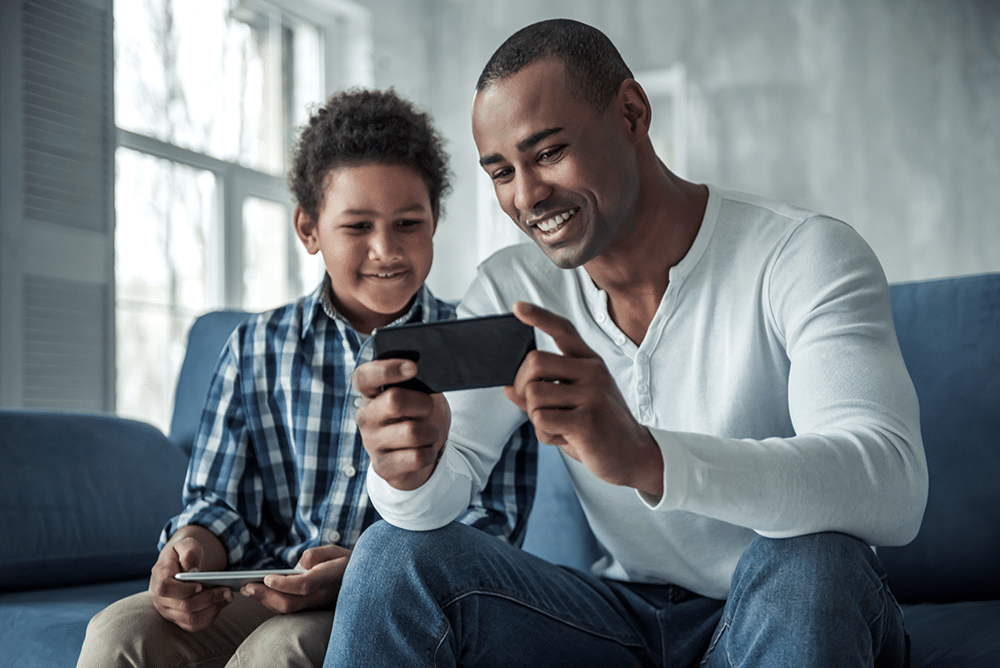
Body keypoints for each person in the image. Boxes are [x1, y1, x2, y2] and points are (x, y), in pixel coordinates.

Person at [324, 18, 928, 668]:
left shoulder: (802, 255)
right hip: (625, 621)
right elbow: (445, 487)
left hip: (784, 603)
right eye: (502, 172)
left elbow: (891, 484)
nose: (527, 196)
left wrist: (646, 457)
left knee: (814, 560)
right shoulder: (515, 286)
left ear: (632, 113)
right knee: (392, 553)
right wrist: (404, 472)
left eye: (549, 152)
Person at [76, 88, 534, 668]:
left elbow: (492, 529)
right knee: (119, 631)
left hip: (393, 600)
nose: (386, 249)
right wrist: (194, 545)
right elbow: (219, 500)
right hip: (264, 589)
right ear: (308, 228)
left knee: (281, 651)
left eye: (408, 223)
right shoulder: (255, 347)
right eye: (357, 226)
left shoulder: (477, 350)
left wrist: (361, 568)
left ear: (435, 221)